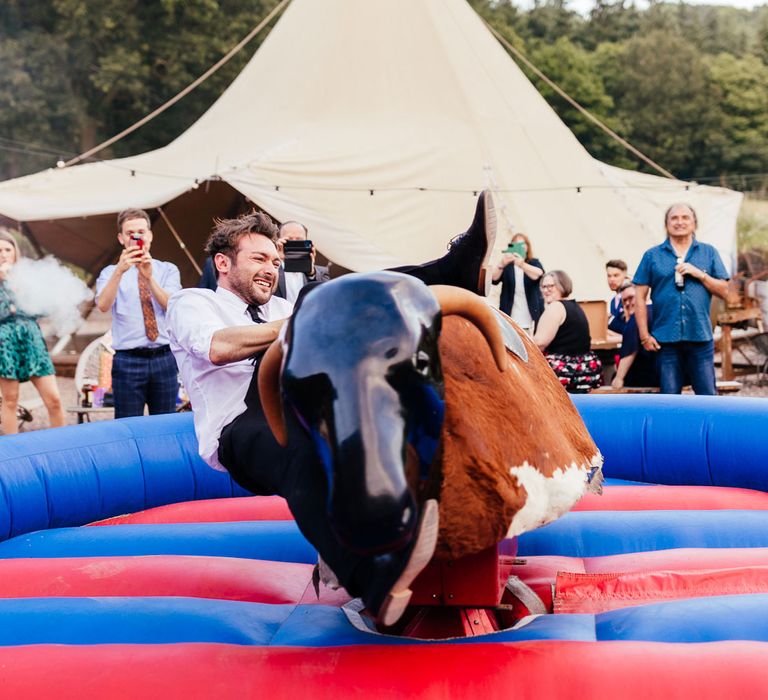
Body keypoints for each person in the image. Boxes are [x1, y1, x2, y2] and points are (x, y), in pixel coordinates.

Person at [166, 192, 496, 626]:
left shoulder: (283, 306)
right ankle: (375, 579)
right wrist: (312, 317)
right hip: (239, 424)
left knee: (344, 321)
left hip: (298, 398)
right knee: (302, 446)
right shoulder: (194, 302)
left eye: (275, 262)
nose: (271, 270)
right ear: (224, 264)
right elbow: (218, 347)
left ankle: (450, 271)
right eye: (259, 259)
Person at [633, 203, 729, 395]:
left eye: (685, 217)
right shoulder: (652, 255)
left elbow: (725, 291)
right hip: (665, 339)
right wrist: (644, 336)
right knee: (670, 398)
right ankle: (671, 427)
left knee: (707, 396)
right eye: (674, 218)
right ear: (666, 224)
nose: (680, 222)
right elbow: (639, 298)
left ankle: (708, 427)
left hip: (700, 336)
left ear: (694, 223)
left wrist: (700, 274)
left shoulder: (708, 253)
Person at [96, 209, 182, 418]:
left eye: (141, 232)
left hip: (164, 356)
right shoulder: (109, 272)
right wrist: (119, 271)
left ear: (150, 235)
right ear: (121, 238)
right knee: (127, 426)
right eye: (130, 233)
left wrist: (149, 278)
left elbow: (173, 306)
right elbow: (103, 305)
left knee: (164, 425)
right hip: (128, 360)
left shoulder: (167, 270)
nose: (137, 237)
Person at [0, 231, 65, 434]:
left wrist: (16, 291)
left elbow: (42, 309)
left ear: (15, 253)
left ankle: (62, 446)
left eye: (7, 249)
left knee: (53, 399)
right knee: (10, 401)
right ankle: (14, 453)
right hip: (4, 344)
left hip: (32, 342)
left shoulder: (26, 278)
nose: (3, 254)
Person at [533, 270, 602, 393]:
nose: (546, 290)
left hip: (565, 373)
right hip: (584, 371)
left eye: (551, 286)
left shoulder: (556, 307)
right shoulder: (575, 306)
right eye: (543, 286)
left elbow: (539, 343)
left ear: (562, 285)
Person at [492, 232, 544, 333]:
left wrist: (522, 264)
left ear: (527, 246)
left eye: (523, 243)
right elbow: (494, 279)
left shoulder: (533, 262)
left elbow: (539, 274)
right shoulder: (507, 265)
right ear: (512, 246)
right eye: (516, 243)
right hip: (510, 315)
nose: (520, 246)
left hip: (530, 317)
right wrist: (501, 264)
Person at [611, 282, 659, 389]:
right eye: (624, 301)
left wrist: (619, 378)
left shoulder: (637, 316)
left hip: (648, 374)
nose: (627, 303)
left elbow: (630, 351)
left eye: (631, 298)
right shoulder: (656, 310)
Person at [274, 221, 331, 304]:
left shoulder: (321, 272)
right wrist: (276, 259)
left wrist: (311, 272)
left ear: (306, 241)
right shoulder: (272, 268)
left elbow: (326, 296)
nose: (294, 243)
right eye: (288, 239)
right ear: (279, 240)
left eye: (299, 240)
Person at [605, 259, 629, 334]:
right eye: (609, 276)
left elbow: (629, 326)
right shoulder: (613, 301)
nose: (612, 279)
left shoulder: (631, 297)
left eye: (616, 275)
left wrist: (609, 319)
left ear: (625, 274)